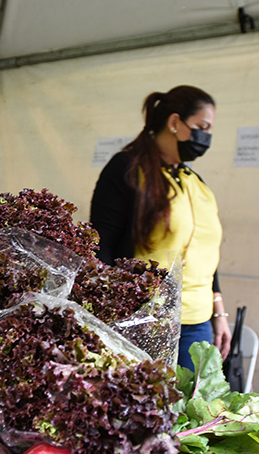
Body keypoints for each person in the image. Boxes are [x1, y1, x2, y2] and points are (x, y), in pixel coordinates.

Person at [90, 85, 231, 371]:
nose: (206, 137)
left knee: (192, 410)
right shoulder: (128, 168)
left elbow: (206, 253)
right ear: (175, 122)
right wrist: (109, 311)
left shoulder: (196, 182)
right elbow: (100, 242)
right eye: (202, 127)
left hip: (197, 324)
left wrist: (220, 313)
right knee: (142, 407)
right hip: (145, 319)